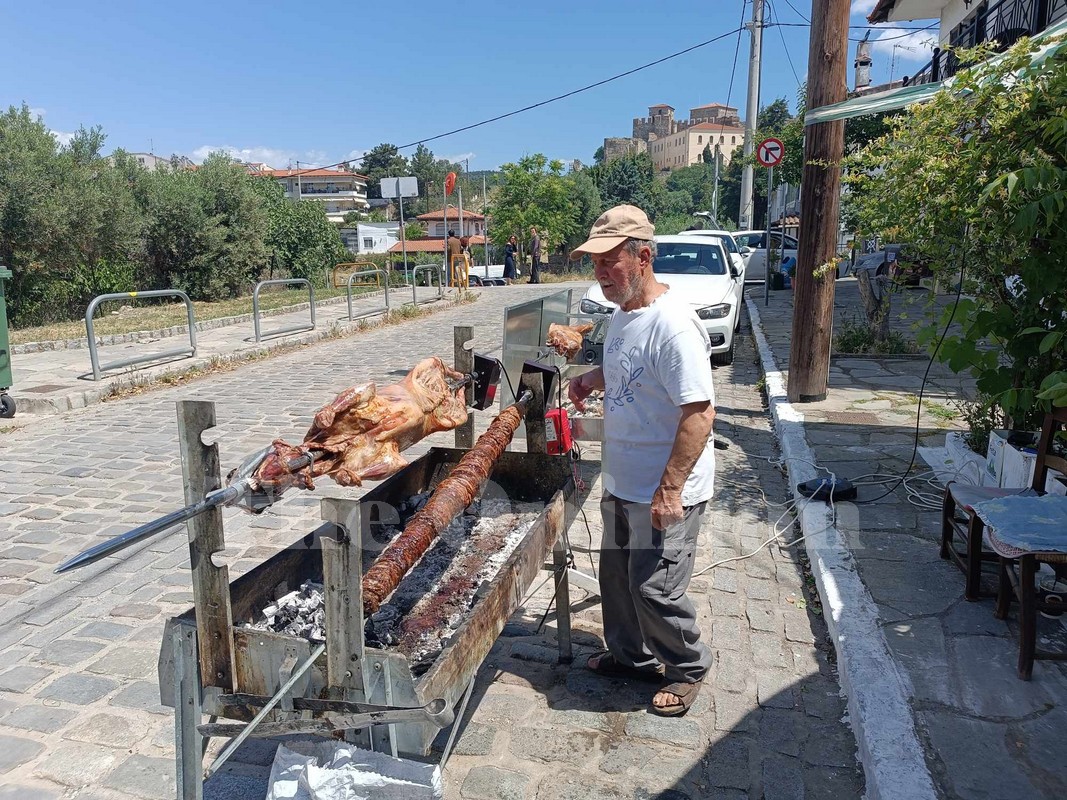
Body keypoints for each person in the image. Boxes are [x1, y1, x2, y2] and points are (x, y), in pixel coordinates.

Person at [568, 204, 716, 717]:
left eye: (612, 262)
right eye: (596, 265)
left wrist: (670, 490)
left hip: (663, 489)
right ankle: (628, 657)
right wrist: (592, 379)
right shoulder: (624, 315)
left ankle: (688, 667)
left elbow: (699, 413)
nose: (602, 275)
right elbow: (629, 370)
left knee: (654, 587)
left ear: (644, 256)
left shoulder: (673, 325)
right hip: (624, 478)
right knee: (616, 576)